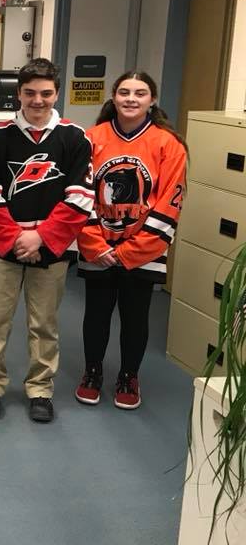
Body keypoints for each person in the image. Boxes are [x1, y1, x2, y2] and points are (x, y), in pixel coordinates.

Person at [0, 59, 93, 423]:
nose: (37, 100)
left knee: (45, 324)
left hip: (50, 248)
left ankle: (40, 388)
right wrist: (15, 239)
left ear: (56, 93)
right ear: (18, 95)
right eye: (29, 93)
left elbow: (81, 196)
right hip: (5, 248)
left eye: (45, 93)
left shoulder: (74, 138)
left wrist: (41, 236)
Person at [75, 72, 187, 410]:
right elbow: (79, 195)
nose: (131, 99)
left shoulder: (168, 143)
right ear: (113, 95)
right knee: (95, 313)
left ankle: (129, 375)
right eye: (124, 92)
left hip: (143, 250)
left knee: (135, 316)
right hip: (99, 246)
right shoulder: (91, 138)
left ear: (152, 99)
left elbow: (171, 200)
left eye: (140, 93)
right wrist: (96, 244)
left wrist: (131, 251)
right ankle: (92, 372)